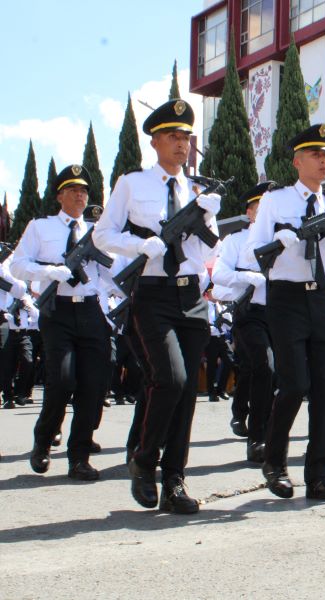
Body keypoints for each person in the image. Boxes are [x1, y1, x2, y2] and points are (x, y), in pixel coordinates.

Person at [94, 99, 220, 513]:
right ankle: (145, 462)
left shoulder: (198, 190)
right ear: (155, 141)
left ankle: (175, 480)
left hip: (190, 297)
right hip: (152, 293)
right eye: (173, 136)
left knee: (187, 394)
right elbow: (102, 235)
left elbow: (205, 250)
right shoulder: (132, 184)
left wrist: (208, 218)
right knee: (170, 379)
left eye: (186, 137)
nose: (182, 144)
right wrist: (137, 244)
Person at [245, 123, 325, 500]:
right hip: (287, 298)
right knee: (295, 383)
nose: (323, 161)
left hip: (322, 299)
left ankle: (318, 474)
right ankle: (275, 461)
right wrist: (279, 240)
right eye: (315, 154)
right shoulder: (276, 202)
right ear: (297, 161)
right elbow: (253, 251)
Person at [11, 165, 113, 481]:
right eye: (73, 190)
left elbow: (110, 274)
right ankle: (43, 441)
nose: (80, 195)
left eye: (84, 191)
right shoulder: (40, 228)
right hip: (58, 312)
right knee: (63, 380)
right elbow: (17, 265)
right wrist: (49, 272)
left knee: (93, 386)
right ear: (60, 195)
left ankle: (79, 457)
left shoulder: (97, 231)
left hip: (92, 311)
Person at [210, 182, 276, 462]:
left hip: (281, 314)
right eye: (260, 210)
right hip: (249, 314)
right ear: (249, 213)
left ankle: (269, 432)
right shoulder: (236, 241)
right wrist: (244, 277)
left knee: (271, 374)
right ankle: (256, 436)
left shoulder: (284, 239)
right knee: (262, 366)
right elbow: (219, 277)